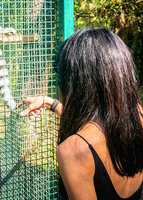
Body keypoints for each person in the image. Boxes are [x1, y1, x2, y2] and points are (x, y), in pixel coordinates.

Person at [17, 28, 143, 199]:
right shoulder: (137, 115)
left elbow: (87, 139)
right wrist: (50, 103)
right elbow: (98, 128)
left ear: (76, 83)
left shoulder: (72, 151)